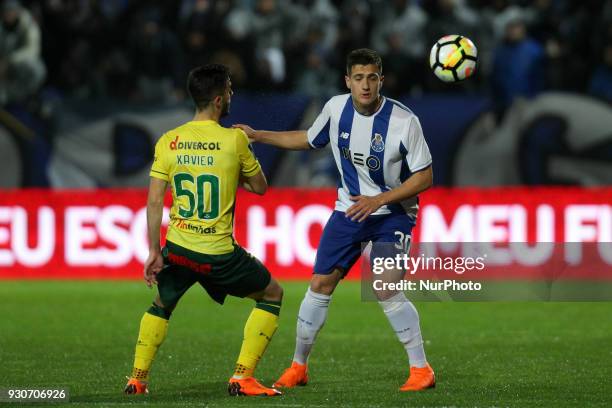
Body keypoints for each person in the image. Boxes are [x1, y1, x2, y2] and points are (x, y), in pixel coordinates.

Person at [234, 48, 435, 392]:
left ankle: (421, 370)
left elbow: (425, 176)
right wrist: (258, 135)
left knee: (386, 288)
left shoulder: (404, 121)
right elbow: (308, 139)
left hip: (392, 215)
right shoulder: (335, 108)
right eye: (359, 78)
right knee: (319, 285)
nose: (366, 85)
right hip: (348, 211)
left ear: (381, 80)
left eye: (372, 77)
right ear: (348, 81)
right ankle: (298, 366)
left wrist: (379, 200)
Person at [124, 64, 283, 397]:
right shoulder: (234, 139)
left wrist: (154, 250)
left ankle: (137, 379)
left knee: (160, 305)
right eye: (228, 89)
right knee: (272, 294)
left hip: (179, 248)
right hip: (218, 254)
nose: (231, 94)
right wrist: (230, 173)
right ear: (218, 100)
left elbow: (154, 203)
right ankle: (242, 376)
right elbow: (260, 187)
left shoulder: (169, 141)